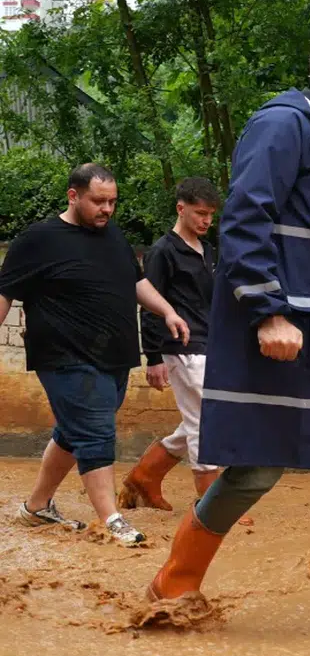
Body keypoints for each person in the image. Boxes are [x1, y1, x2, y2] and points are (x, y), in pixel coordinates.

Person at [146, 28, 310, 604]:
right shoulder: (283, 125)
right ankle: (174, 582)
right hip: (289, 334)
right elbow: (245, 221)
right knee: (258, 467)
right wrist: (266, 312)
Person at [0, 163, 190, 547]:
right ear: (73, 195)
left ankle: (36, 507)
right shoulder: (38, 239)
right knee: (95, 431)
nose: (107, 209)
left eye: (113, 202)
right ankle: (112, 519)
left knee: (73, 433)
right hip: (64, 354)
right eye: (98, 201)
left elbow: (136, 282)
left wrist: (167, 310)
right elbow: (5, 291)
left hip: (114, 356)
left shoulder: (113, 237)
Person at [118, 177, 221, 510]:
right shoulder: (162, 251)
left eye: (210, 215)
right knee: (205, 420)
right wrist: (154, 357)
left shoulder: (208, 251)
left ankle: (144, 477)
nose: (206, 221)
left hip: (209, 346)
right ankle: (209, 503)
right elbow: (149, 304)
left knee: (196, 418)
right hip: (180, 349)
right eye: (200, 213)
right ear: (181, 208)